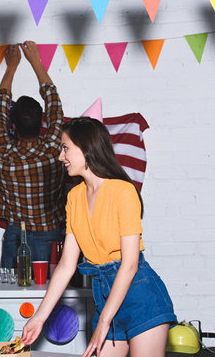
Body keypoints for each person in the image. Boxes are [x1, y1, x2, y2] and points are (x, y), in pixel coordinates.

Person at [22, 117, 177, 357]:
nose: (60, 157)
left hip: (141, 298)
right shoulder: (74, 197)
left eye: (65, 148)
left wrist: (104, 320)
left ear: (86, 148)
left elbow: (130, 264)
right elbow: (66, 266)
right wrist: (39, 318)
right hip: (104, 295)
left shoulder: (123, 191)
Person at [0, 41, 66, 271]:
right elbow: (54, 104)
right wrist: (36, 62)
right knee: (49, 298)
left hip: (16, 237)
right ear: (43, 122)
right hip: (50, 236)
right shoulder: (54, 148)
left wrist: (11, 67)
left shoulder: (4, 151)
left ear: (13, 125)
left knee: (12, 299)